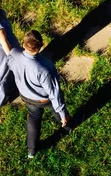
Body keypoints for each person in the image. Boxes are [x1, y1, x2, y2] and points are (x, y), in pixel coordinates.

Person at [7, 30, 70, 158]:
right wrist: (62, 113)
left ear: (23, 44)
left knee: (34, 118)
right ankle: (67, 126)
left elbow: (10, 61)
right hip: (43, 100)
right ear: (41, 45)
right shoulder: (45, 67)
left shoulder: (14, 55)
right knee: (56, 111)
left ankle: (31, 150)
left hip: (26, 97)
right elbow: (54, 93)